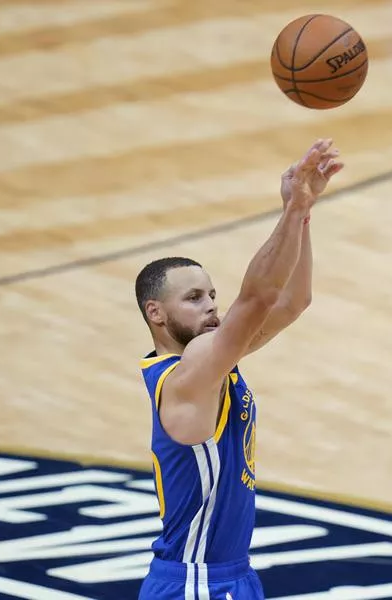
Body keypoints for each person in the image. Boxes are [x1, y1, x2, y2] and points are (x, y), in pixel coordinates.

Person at [134, 138, 344, 599]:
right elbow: (258, 297)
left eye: (211, 295)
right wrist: (290, 211)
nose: (211, 307)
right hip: (194, 583)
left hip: (233, 575)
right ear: (156, 314)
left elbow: (292, 301)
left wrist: (304, 213)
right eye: (193, 299)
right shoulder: (186, 378)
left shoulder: (213, 362)